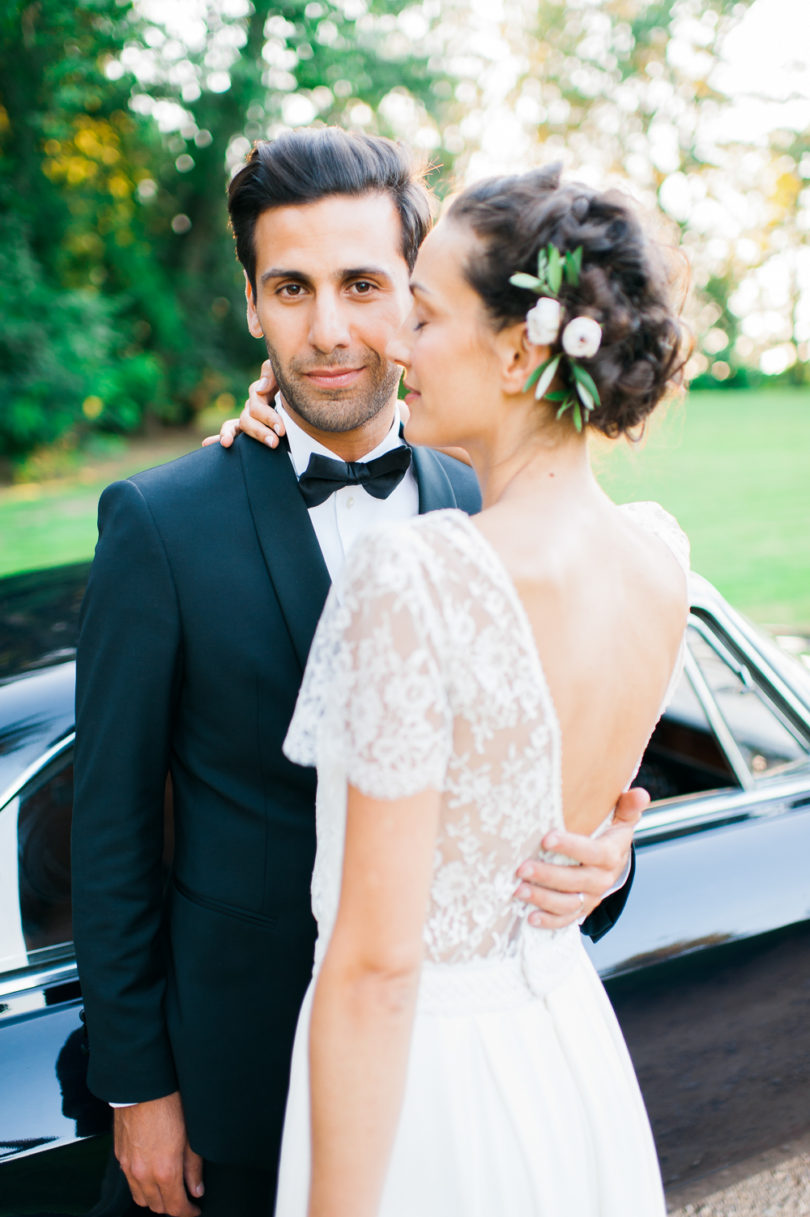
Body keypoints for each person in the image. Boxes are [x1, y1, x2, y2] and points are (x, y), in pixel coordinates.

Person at [71, 128, 640, 1217]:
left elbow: (567, 755)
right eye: (291, 286)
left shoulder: (496, 507)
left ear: (419, 297)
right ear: (250, 303)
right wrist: (138, 1084)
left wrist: (608, 851)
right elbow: (110, 829)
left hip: (456, 1080)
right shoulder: (160, 523)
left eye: (365, 285)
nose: (327, 329)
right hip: (238, 1082)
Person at [271, 164, 690, 1216]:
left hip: (429, 1092)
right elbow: (551, 798)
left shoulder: (415, 575)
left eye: (422, 312)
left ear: (518, 347)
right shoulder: (658, 555)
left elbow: (374, 971)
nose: (394, 344)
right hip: (565, 1057)